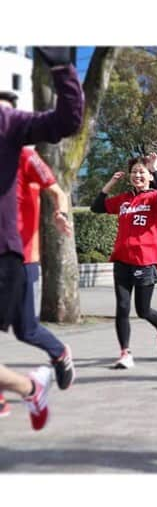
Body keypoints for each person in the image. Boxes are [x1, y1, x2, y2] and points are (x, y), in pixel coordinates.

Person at [0, 48, 83, 429]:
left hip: (12, 254)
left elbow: (66, 123)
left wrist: (62, 68)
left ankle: (37, 375)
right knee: (23, 327)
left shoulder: (13, 132)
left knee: (27, 328)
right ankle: (27, 387)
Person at [91, 152, 157, 368]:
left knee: (143, 310)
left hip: (145, 261)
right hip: (122, 261)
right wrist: (110, 183)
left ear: (149, 176)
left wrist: (155, 169)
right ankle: (125, 353)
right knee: (122, 307)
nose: (137, 175)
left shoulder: (155, 198)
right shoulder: (124, 200)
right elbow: (97, 207)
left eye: (142, 172)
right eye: (134, 172)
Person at [11, 146, 76, 396]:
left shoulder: (25, 157)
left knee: (26, 329)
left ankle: (59, 352)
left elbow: (58, 192)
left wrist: (60, 215)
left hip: (23, 259)